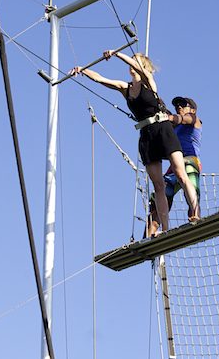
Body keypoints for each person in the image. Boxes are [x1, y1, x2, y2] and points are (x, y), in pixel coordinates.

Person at [70, 50, 199, 236]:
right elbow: (101, 79)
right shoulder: (126, 88)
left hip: (162, 128)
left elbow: (140, 69)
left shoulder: (149, 82)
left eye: (135, 62)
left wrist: (117, 54)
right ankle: (165, 228)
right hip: (146, 134)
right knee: (158, 185)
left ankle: (194, 211)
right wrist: (83, 70)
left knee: (180, 173)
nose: (132, 65)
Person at [146, 96, 202, 238]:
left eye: (183, 104)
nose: (179, 107)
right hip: (175, 165)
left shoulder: (194, 120)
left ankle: (195, 216)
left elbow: (180, 119)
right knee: (161, 194)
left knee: (190, 187)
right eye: (177, 105)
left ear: (193, 110)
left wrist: (168, 118)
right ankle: (151, 232)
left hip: (189, 161)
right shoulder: (175, 128)